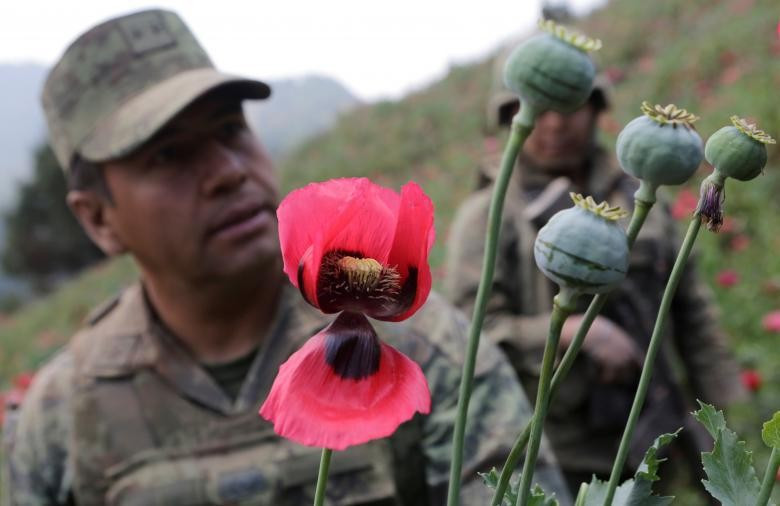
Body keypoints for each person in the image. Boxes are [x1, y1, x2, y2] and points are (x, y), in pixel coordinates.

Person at [1, 9, 571, 506]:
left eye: (230, 129)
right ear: (98, 218)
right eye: (169, 154)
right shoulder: (60, 419)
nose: (228, 171)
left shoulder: (428, 347)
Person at [445, 57, 746, 494]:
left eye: (567, 107)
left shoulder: (645, 190)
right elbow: (470, 335)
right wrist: (572, 330)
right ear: (512, 115)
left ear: (594, 106)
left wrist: (724, 421)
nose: (554, 124)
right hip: (553, 454)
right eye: (538, 109)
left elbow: (691, 310)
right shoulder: (489, 216)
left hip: (653, 437)